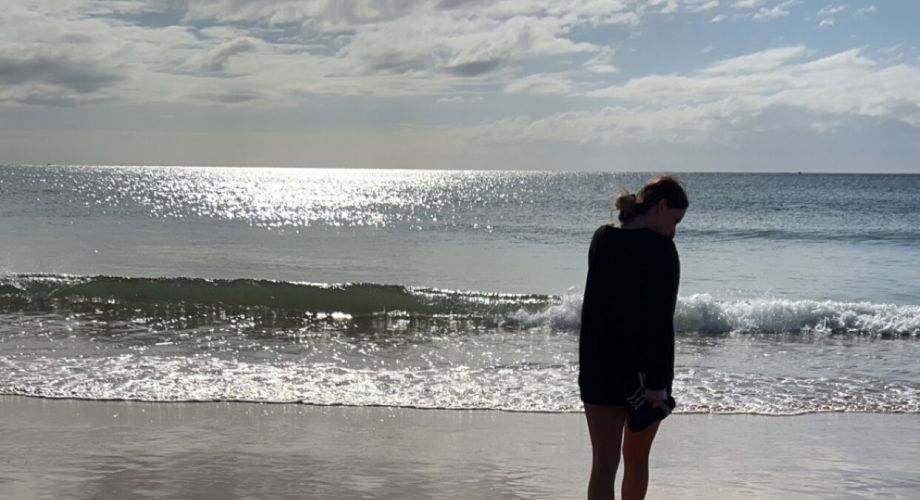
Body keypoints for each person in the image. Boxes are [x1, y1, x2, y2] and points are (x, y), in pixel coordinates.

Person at [579, 175, 688, 500]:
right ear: (661, 206)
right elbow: (659, 322)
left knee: (603, 463)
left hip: (600, 368)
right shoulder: (662, 250)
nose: (674, 230)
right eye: (676, 220)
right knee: (636, 460)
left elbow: (595, 311)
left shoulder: (602, 239)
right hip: (644, 375)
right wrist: (656, 382)